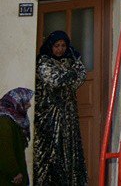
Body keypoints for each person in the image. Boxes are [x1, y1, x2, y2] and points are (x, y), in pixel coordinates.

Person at [33, 31, 87, 186]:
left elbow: (81, 77)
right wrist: (71, 74)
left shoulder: (70, 61)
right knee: (52, 153)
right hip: (49, 115)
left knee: (69, 151)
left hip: (68, 116)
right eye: (57, 46)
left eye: (64, 46)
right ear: (51, 46)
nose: (60, 49)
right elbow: (55, 81)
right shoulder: (44, 63)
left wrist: (72, 68)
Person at [0, 88, 33, 186]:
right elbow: (4, 150)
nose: (29, 105)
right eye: (26, 101)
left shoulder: (13, 119)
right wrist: (14, 172)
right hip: (8, 178)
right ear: (17, 102)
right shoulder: (4, 122)